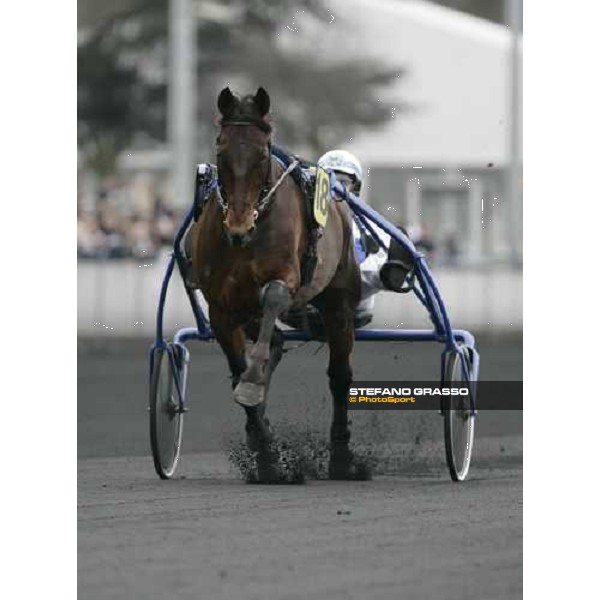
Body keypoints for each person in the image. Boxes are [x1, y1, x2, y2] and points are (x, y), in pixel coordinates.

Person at [316, 149, 415, 326]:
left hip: (352, 302)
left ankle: (390, 272)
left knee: (393, 242)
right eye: (327, 181)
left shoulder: (366, 226)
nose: (334, 188)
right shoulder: (304, 221)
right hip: (307, 300)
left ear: (355, 188)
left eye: (342, 182)